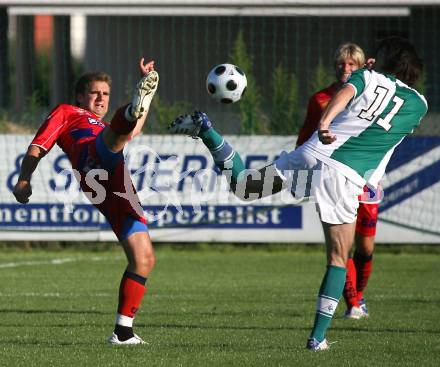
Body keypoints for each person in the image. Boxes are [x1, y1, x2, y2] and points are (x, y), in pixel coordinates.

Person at [169, 36, 427, 350]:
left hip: (313, 152)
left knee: (245, 187)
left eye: (379, 53)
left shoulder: (367, 76)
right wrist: (369, 177)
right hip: (341, 173)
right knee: (338, 258)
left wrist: (326, 121)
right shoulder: (418, 105)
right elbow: (384, 134)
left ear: (385, 60)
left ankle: (206, 130)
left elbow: (347, 91)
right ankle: (317, 339)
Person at [13, 58, 159, 345]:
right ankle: (132, 106)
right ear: (81, 96)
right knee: (110, 142)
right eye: (95, 93)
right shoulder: (67, 112)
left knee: (144, 259)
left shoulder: (106, 124)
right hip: (92, 159)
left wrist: (150, 89)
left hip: (117, 183)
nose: (101, 97)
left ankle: (123, 332)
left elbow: (133, 131)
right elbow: (38, 145)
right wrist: (24, 178)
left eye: (105, 93)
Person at [296, 42, 378, 320]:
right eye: (342, 64)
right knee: (342, 246)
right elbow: (306, 136)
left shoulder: (372, 97)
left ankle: (360, 297)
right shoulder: (320, 98)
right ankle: (353, 303)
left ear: (362, 66)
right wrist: (298, 170)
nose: (346, 69)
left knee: (365, 247)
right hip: (333, 177)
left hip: (366, 178)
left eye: (352, 64)